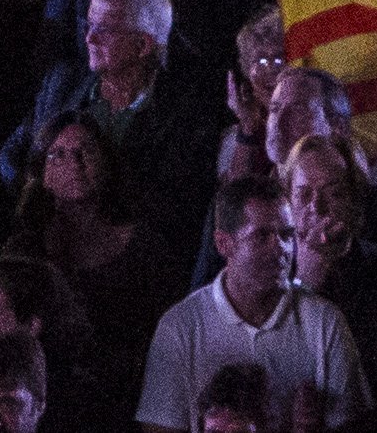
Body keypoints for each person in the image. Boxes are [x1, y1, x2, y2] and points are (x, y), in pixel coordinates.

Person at [133, 183, 364, 433]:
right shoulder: (180, 328)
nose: (280, 249)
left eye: (287, 235)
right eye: (261, 236)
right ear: (223, 244)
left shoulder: (324, 323)